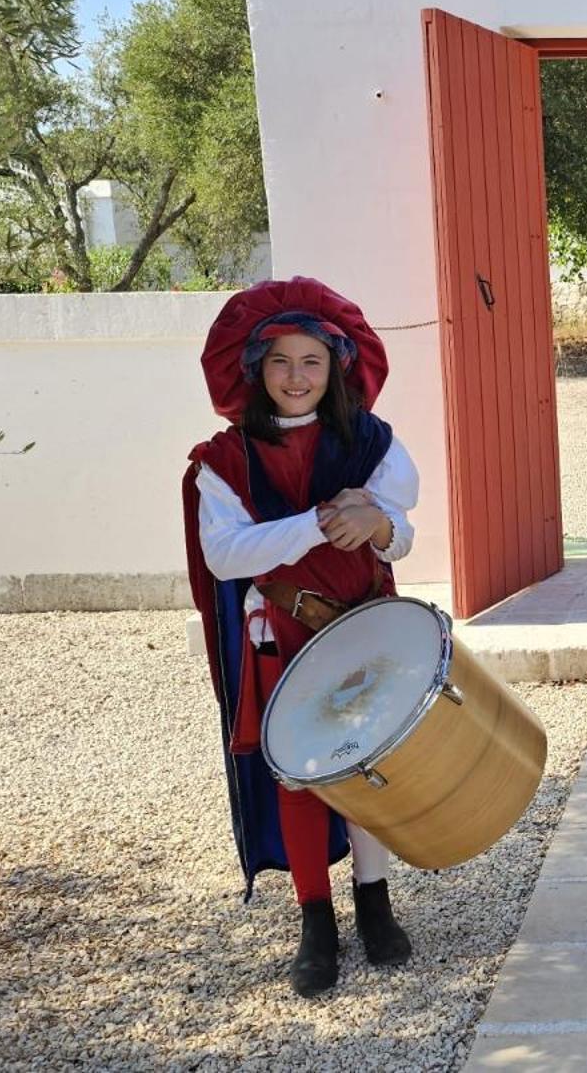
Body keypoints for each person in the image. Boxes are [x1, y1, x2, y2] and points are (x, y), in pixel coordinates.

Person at [182, 277, 419, 996]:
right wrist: (315, 521)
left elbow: (401, 534)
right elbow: (227, 555)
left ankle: (373, 900)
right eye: (280, 361)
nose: (295, 376)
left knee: (366, 762)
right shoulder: (224, 462)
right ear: (256, 368)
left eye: (311, 360)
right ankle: (315, 917)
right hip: (283, 631)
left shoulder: (370, 442)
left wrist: (378, 525)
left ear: (337, 366)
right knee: (301, 768)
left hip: (364, 622)